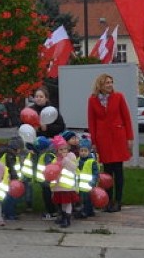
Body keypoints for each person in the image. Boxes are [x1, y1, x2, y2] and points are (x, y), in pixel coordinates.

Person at [87, 73, 133, 213]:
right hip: (103, 139)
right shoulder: (92, 100)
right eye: (107, 82)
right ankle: (108, 201)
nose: (110, 85)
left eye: (111, 82)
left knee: (118, 171)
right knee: (107, 172)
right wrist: (93, 141)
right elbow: (91, 122)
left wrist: (129, 138)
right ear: (100, 84)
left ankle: (118, 201)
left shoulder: (119, 97)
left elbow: (126, 118)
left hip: (118, 137)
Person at [50, 137, 79, 228]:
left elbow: (73, 167)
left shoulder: (71, 156)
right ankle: (63, 216)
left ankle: (67, 218)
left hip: (68, 185)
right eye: (61, 149)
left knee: (68, 202)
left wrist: (65, 160)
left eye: (65, 149)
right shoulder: (55, 159)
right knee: (62, 202)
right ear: (57, 150)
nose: (63, 151)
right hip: (59, 186)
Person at [33, 136, 57, 220]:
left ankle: (52, 213)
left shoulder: (46, 155)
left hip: (47, 182)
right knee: (48, 197)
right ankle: (52, 212)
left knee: (48, 198)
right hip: (45, 182)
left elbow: (48, 168)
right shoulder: (46, 153)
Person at [76, 137, 99, 218]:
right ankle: (87, 210)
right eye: (81, 151)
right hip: (80, 185)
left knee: (88, 199)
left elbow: (96, 173)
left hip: (89, 185)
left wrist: (93, 181)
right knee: (82, 199)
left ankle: (87, 211)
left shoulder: (92, 162)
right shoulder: (77, 160)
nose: (83, 153)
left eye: (85, 151)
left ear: (89, 152)